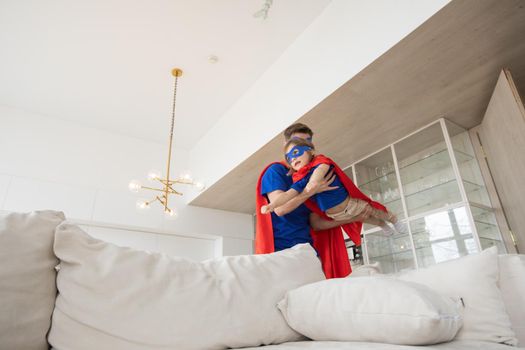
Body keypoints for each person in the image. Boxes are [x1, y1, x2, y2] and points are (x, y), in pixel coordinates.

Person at [255, 123, 368, 278]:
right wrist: (310, 191)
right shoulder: (276, 171)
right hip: (281, 253)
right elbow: (280, 209)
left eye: (307, 142)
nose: (303, 147)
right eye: (298, 142)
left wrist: (352, 217)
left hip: (308, 253)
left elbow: (316, 223)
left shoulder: (312, 176)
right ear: (286, 146)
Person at [261, 138, 407, 235]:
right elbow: (288, 194)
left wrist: (313, 184)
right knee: (366, 218)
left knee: (373, 211)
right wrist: (272, 205)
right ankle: (382, 225)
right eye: (289, 158)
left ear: (310, 151)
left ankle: (393, 219)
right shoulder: (302, 179)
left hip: (350, 204)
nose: (293, 158)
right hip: (335, 214)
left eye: (296, 153)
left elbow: (319, 173)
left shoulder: (320, 162)